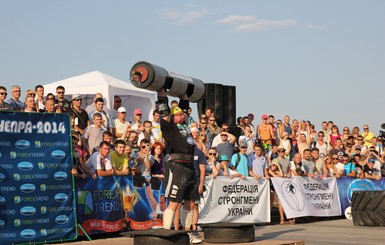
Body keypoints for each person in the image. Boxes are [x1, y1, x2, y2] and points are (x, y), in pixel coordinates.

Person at [156, 88, 200, 243]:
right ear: (173, 116)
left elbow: (185, 102)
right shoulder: (169, 127)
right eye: (178, 114)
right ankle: (166, 236)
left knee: (190, 203)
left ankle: (188, 235)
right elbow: (164, 110)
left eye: (182, 114)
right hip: (177, 166)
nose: (182, 116)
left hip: (189, 167)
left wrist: (184, 92)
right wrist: (161, 91)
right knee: (174, 202)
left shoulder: (185, 125)